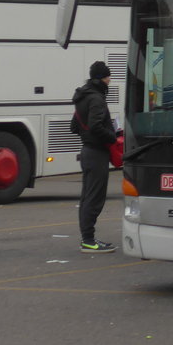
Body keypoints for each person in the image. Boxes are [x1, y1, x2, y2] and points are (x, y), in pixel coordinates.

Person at [73, 61, 117, 253]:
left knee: (87, 197)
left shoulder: (82, 96)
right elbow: (96, 126)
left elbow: (73, 126)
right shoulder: (97, 98)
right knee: (95, 198)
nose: (109, 80)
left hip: (86, 151)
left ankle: (87, 238)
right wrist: (113, 136)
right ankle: (89, 241)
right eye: (107, 76)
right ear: (101, 78)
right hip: (97, 152)